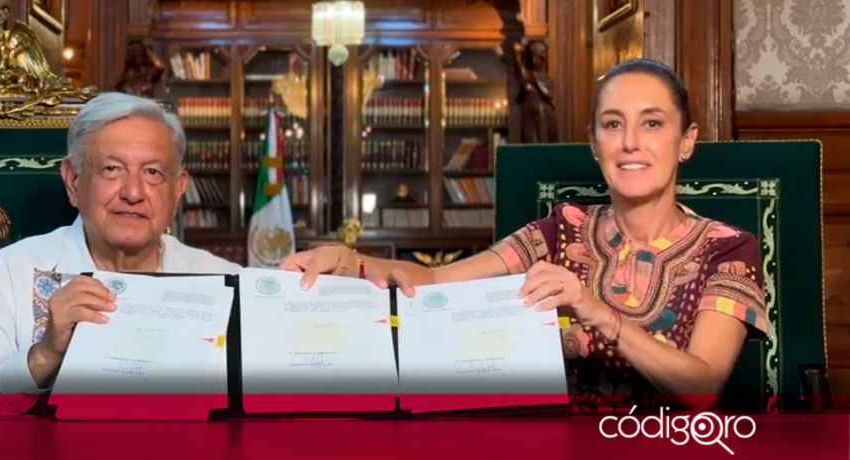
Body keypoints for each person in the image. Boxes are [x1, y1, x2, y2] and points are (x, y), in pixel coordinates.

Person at [281, 59, 768, 412]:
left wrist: (600, 314)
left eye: (653, 124)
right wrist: (353, 263)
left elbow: (702, 389)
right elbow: (434, 281)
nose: (631, 143)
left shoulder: (727, 248)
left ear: (686, 141)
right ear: (595, 144)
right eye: (612, 124)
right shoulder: (562, 228)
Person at [0, 93, 242, 417]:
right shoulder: (7, 275)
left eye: (152, 172)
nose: (133, 193)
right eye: (111, 169)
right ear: (73, 181)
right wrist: (44, 355)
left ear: (177, 190)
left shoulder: (227, 283)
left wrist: (296, 299)